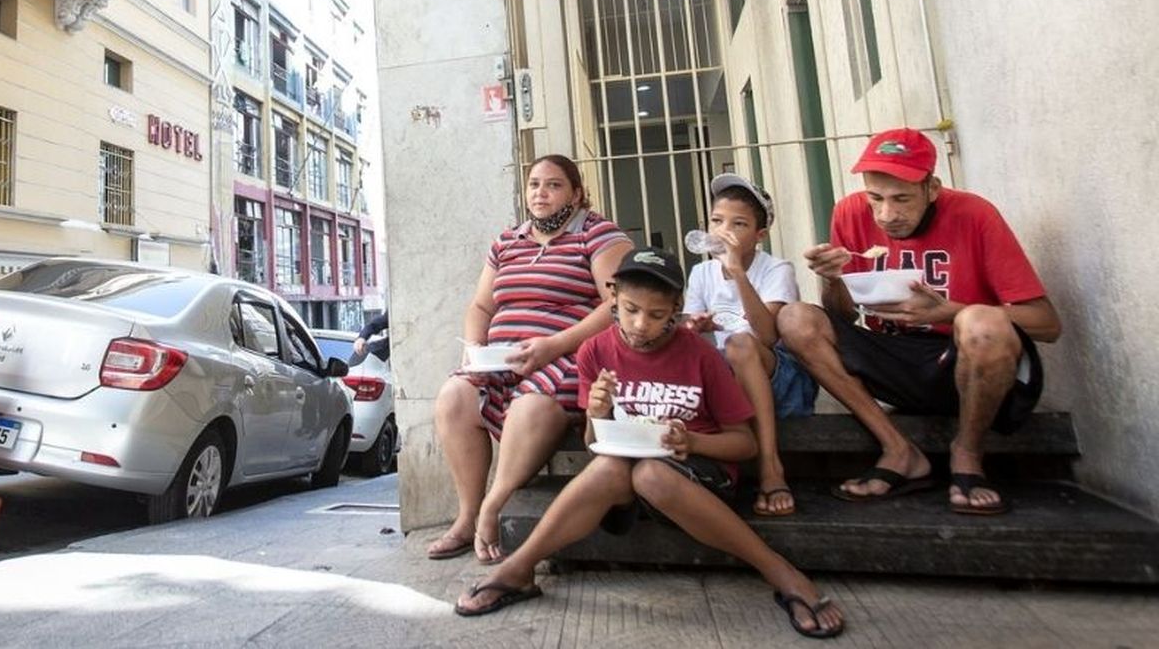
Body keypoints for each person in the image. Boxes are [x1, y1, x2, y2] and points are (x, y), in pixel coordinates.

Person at [454, 247, 845, 639]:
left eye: (657, 315)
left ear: (677, 308)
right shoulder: (596, 350)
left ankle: (781, 572)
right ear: (613, 300)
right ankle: (520, 568)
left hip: (698, 478)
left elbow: (743, 445)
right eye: (630, 309)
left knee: (651, 476)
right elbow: (594, 442)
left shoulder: (701, 355)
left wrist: (690, 441)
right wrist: (597, 411)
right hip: (625, 481)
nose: (641, 325)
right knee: (614, 467)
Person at [776, 127, 1061, 514]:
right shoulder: (849, 212)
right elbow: (842, 316)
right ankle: (898, 450)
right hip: (892, 358)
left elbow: (1047, 323)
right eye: (875, 197)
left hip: (963, 360)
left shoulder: (974, 214)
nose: (886, 214)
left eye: (902, 199)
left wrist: (950, 311)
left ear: (932, 188)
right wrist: (832, 279)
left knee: (982, 323)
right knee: (795, 319)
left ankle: (967, 455)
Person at [427, 154, 633, 565]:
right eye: (535, 184)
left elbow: (617, 303)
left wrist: (554, 346)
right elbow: (481, 306)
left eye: (554, 185)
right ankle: (467, 516)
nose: (541, 193)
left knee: (529, 405)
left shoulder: (597, 233)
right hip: (499, 360)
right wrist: (474, 349)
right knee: (453, 396)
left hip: (567, 356)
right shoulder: (507, 241)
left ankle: (494, 506)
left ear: (576, 193)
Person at [682, 174, 815, 516]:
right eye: (717, 221)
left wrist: (738, 273)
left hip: (778, 381)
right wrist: (696, 327)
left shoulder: (776, 270)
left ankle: (770, 467)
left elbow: (769, 336)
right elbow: (689, 332)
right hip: (725, 383)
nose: (724, 231)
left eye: (738, 224)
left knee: (741, 344)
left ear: (759, 235)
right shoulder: (701, 274)